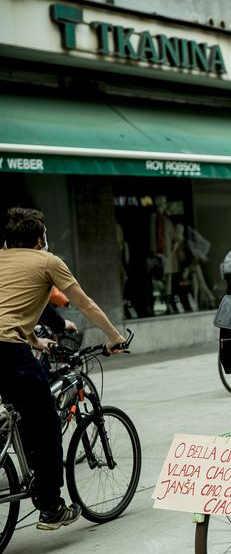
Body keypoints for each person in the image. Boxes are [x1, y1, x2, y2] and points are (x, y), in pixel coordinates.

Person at [0, 208, 127, 530]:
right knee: (45, 425)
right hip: (7, 352)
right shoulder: (47, 261)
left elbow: (11, 306)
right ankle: (51, 506)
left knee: (17, 412)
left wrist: (32, 339)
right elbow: (84, 303)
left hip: (12, 344)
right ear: (40, 238)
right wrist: (114, 336)